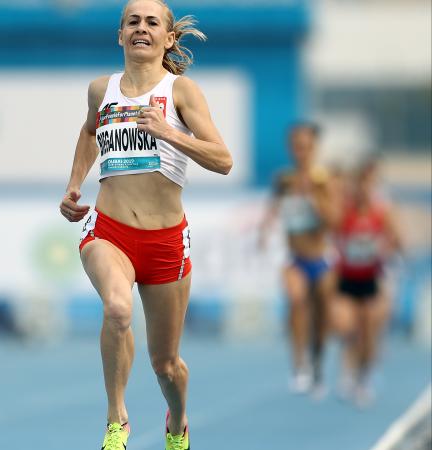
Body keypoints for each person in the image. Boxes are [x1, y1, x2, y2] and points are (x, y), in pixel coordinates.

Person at [59, 1, 232, 448]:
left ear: (168, 38)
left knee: (166, 363)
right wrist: (73, 186)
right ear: (120, 35)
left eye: (152, 22)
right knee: (117, 309)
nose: (141, 28)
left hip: (165, 242)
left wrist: (170, 133)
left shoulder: (182, 93)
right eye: (132, 21)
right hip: (109, 230)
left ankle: (177, 422)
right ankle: (117, 419)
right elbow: (88, 131)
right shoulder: (102, 89)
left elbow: (223, 160)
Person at [259, 123, 339, 398]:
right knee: (295, 298)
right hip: (294, 258)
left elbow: (334, 220)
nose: (300, 152)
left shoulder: (325, 179)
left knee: (322, 313)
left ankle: (317, 359)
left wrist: (313, 198)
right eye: (295, 146)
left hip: (321, 257)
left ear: (314, 148)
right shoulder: (284, 179)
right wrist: (264, 231)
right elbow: (272, 208)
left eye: (305, 146)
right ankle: (299, 365)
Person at [331, 159, 401, 408]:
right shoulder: (344, 211)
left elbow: (398, 240)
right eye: (359, 185)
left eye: (368, 186)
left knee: (369, 330)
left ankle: (365, 377)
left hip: (372, 279)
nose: (363, 191)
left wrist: (387, 247)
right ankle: (348, 370)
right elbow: (331, 234)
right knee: (346, 327)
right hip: (348, 277)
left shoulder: (382, 213)